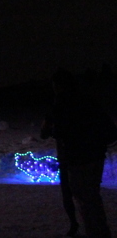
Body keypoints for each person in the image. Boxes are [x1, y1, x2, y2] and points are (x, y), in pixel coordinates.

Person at [42, 68, 117, 238]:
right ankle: (101, 231)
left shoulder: (61, 104)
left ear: (57, 85)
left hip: (77, 159)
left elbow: (51, 132)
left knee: (84, 199)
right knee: (92, 197)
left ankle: (95, 232)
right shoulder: (88, 100)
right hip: (96, 156)